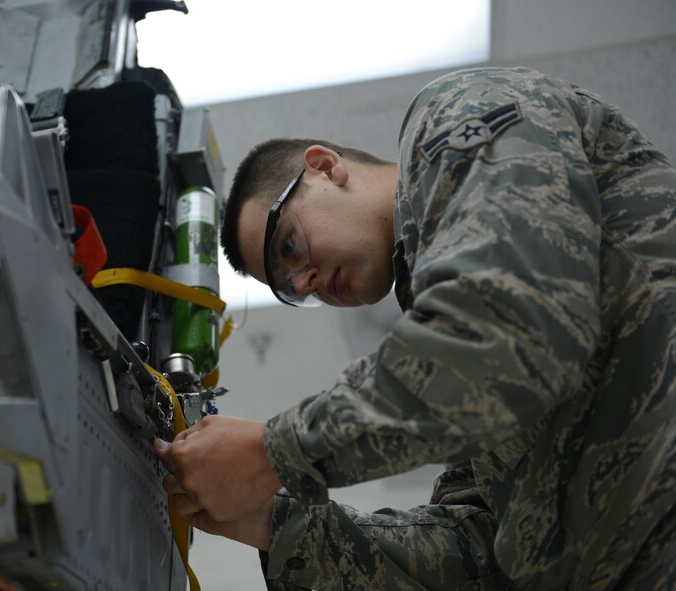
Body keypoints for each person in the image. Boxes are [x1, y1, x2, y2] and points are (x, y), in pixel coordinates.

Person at [153, 67, 676, 590]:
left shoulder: (453, 113)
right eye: (291, 288)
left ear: (324, 167)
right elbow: (479, 552)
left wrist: (274, 453)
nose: (306, 279)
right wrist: (270, 521)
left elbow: (512, 331)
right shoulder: (446, 370)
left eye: (289, 245)